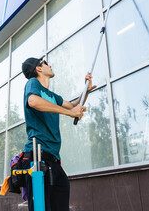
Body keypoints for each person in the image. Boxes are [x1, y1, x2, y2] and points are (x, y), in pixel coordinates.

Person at [21, 56, 96, 211]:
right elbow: (33, 101)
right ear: (39, 68)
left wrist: (85, 91)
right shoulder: (32, 84)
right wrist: (70, 113)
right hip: (37, 158)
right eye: (46, 63)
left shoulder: (52, 96)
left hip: (54, 160)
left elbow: (73, 106)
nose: (50, 65)